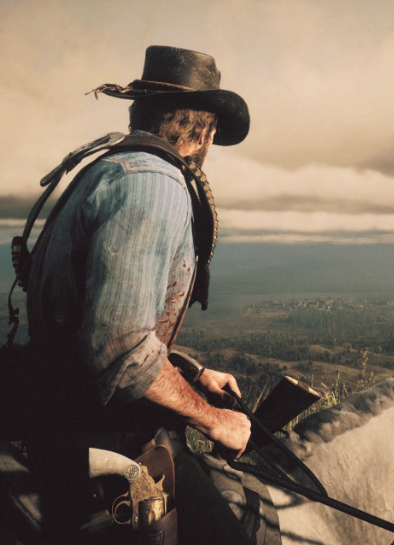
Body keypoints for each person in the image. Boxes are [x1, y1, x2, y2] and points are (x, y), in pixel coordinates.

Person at [22, 46, 254, 544]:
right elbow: (120, 348)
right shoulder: (155, 183)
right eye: (213, 130)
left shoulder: (110, 167)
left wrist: (192, 373)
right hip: (98, 436)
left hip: (57, 413)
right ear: (205, 129)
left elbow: (94, 321)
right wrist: (216, 421)